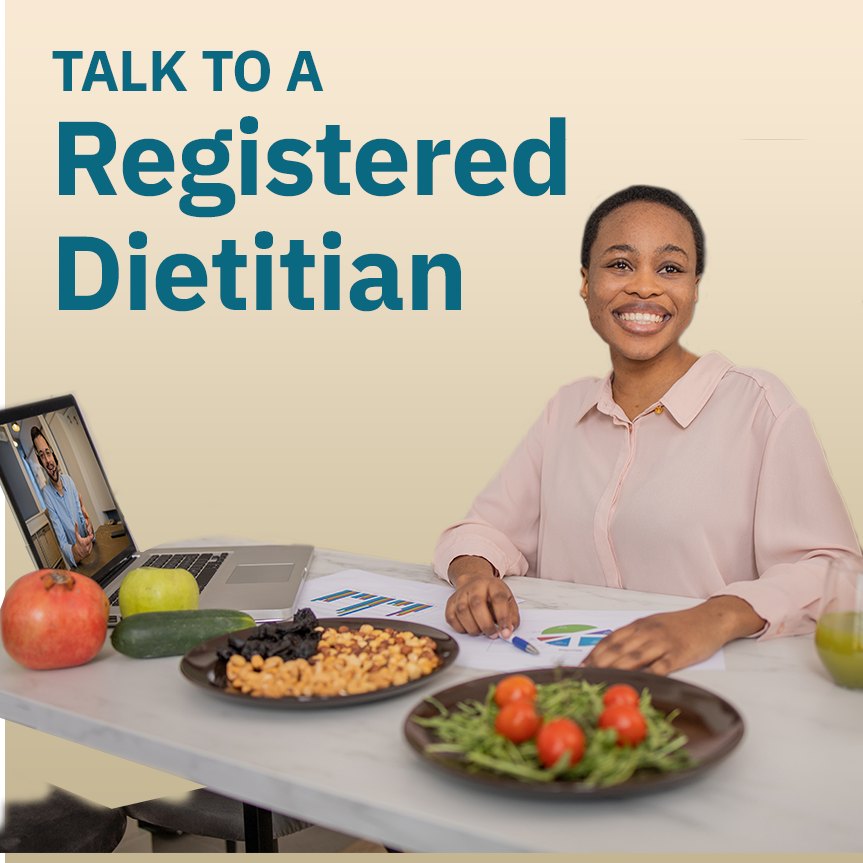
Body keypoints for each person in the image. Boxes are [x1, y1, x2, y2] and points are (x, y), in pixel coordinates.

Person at [434, 185, 860, 675]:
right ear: (585, 281)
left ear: (695, 287)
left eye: (670, 269)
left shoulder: (758, 406)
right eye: (619, 264)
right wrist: (473, 577)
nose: (644, 287)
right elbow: (483, 530)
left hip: (707, 687)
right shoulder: (566, 407)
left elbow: (831, 569)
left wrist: (709, 620)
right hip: (567, 678)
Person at [31, 427, 94, 568]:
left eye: (48, 452)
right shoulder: (47, 494)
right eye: (42, 455)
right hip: (79, 563)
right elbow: (62, 541)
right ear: (41, 463)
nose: (47, 460)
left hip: (91, 551)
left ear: (53, 454)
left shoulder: (69, 481)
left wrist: (89, 527)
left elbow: (82, 519)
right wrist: (76, 551)